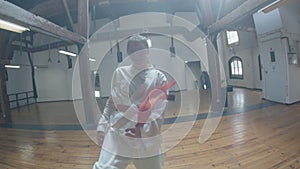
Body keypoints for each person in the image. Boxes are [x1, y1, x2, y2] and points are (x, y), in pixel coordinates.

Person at [93, 35, 169, 169]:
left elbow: (159, 111)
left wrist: (142, 130)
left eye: (140, 49)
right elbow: (112, 103)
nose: (137, 53)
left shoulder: (158, 77)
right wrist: (101, 126)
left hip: (147, 136)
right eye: (133, 50)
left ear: (147, 51)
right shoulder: (120, 73)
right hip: (119, 132)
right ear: (128, 54)